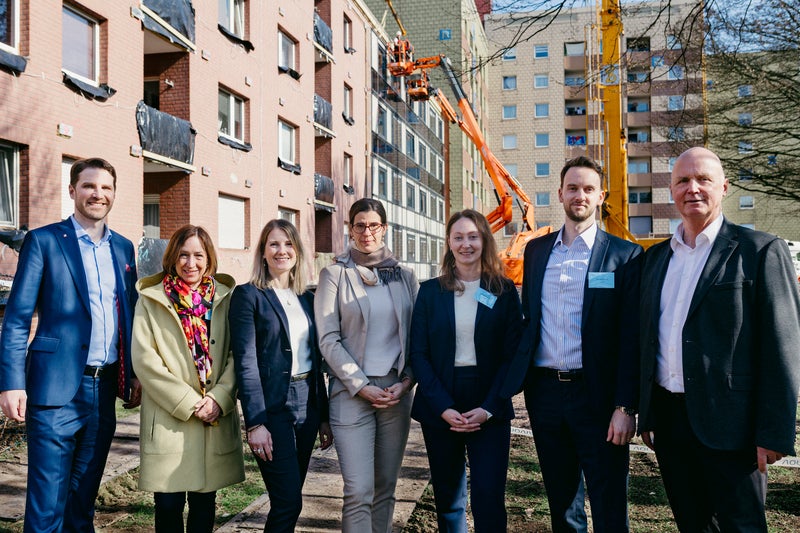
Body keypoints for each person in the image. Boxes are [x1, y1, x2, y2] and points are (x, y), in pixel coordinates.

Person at [638, 147, 800, 531]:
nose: (692, 188)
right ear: (671, 190)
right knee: (692, 524)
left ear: (724, 187)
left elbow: (783, 346)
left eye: (703, 179)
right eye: (682, 180)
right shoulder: (655, 259)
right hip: (671, 424)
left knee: (742, 527)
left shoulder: (760, 251)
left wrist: (774, 431)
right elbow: (647, 340)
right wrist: (646, 411)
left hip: (733, 427)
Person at [502, 156, 642, 532]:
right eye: (573, 188)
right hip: (545, 394)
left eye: (588, 189)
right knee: (562, 501)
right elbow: (529, 319)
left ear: (600, 197)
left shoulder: (624, 256)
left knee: (609, 501)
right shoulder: (536, 251)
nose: (580, 195)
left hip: (599, 397)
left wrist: (626, 406)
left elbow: (632, 338)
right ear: (560, 193)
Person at [0, 157, 140, 532]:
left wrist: (133, 373)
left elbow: (129, 315)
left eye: (106, 187)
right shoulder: (44, 241)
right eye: (89, 186)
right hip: (53, 391)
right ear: (73, 190)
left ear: (114, 194)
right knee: (47, 506)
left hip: (104, 391)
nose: (98, 194)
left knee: (82, 503)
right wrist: (11, 383)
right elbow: (17, 318)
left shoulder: (124, 249)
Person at [409, 209, 522, 532]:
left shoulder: (503, 291)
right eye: (458, 237)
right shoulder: (430, 292)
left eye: (473, 236)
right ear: (449, 242)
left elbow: (512, 356)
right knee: (448, 497)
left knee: (488, 495)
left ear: (484, 240)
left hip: (489, 399)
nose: (466, 244)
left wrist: (489, 408)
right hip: (440, 397)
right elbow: (419, 353)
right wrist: (442, 407)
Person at [315, 197, 419, 532]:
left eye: (374, 225)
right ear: (351, 229)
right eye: (359, 225)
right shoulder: (334, 274)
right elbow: (328, 339)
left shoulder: (405, 276)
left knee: (386, 487)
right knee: (359, 490)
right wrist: (360, 385)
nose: (367, 232)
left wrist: (406, 383)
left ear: (384, 228)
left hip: (395, 393)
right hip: (350, 393)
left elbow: (418, 338)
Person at [132, 225, 244, 532]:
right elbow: (145, 359)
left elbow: (238, 354)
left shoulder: (226, 298)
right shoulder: (151, 299)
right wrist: (190, 402)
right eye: (183, 255)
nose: (190, 263)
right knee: (168, 505)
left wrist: (219, 398)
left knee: (204, 505)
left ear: (209, 259)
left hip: (213, 418)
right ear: (172, 257)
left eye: (198, 255)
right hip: (170, 417)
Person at [229, 219, 333, 531]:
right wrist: (255, 422)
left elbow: (316, 360)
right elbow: (245, 362)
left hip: (308, 404)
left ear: (298, 251)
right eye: (273, 244)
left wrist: (324, 416)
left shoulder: (308, 299)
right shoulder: (248, 296)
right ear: (262, 251)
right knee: (288, 502)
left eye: (288, 244)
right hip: (273, 406)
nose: (281, 250)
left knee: (290, 498)